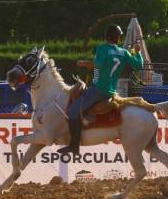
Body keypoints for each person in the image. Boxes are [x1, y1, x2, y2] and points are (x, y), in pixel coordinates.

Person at [60, 24, 144, 156]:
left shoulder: (102, 48)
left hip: (98, 91)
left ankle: (74, 146)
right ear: (118, 38)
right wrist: (138, 52)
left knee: (72, 111)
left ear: (107, 36)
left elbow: (97, 64)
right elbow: (139, 65)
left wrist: (83, 63)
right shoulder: (124, 52)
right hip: (111, 91)